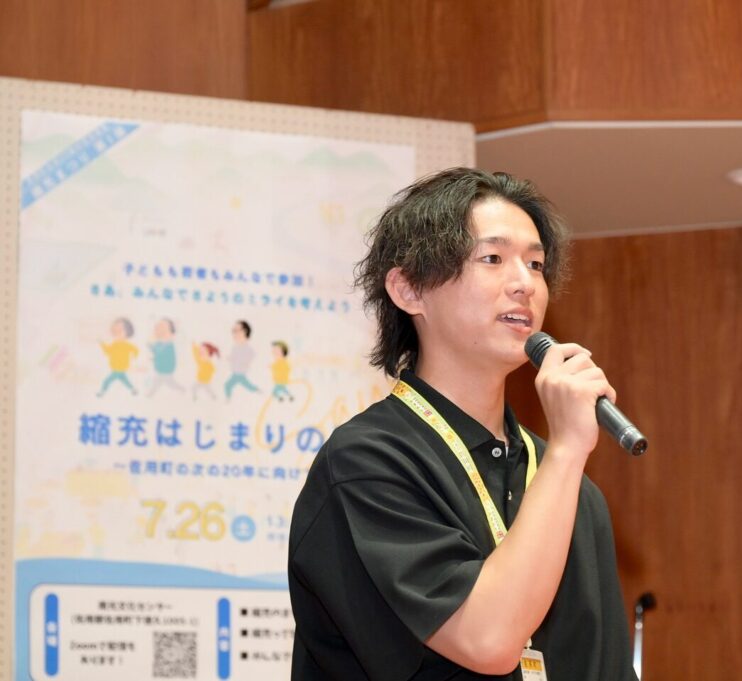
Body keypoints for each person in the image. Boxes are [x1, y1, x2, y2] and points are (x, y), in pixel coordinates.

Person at [288, 168, 637, 680]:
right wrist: (567, 451)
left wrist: (563, 458)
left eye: (536, 264)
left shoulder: (573, 492)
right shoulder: (367, 462)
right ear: (409, 289)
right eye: (492, 259)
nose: (525, 284)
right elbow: (487, 639)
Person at [97, 317, 139, 397]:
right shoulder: (114, 344)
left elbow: (135, 350)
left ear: (127, 333)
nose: (117, 334)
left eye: (120, 331)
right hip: (118, 367)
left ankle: (102, 392)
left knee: (107, 381)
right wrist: (102, 343)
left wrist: (135, 358)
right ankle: (133, 389)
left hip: (118, 368)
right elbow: (108, 351)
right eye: (115, 331)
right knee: (124, 380)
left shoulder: (127, 345)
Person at [224, 320, 259, 400]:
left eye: (236, 330)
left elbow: (250, 356)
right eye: (233, 331)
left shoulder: (247, 348)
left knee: (228, 385)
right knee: (246, 385)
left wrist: (243, 362)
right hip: (236, 372)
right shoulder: (235, 347)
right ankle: (257, 391)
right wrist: (231, 359)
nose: (234, 334)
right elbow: (234, 357)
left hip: (239, 372)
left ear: (244, 331)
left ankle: (228, 399)